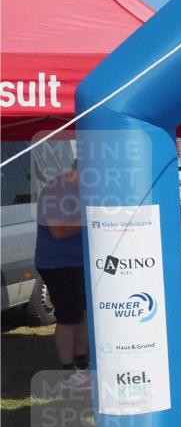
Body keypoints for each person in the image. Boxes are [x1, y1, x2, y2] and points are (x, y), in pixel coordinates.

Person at [35, 163, 89, 383]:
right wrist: (92, 217)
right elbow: (57, 231)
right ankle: (68, 373)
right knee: (69, 318)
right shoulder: (56, 191)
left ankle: (83, 366)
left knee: (81, 314)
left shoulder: (76, 191)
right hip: (59, 264)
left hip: (77, 262)